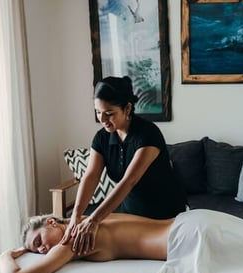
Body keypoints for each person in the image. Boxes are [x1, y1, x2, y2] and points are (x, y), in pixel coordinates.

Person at [62, 76, 187, 256]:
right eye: (98, 112)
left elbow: (129, 181)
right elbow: (90, 177)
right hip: (131, 213)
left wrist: (94, 219)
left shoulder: (148, 134)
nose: (102, 119)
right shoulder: (102, 138)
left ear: (127, 108)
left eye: (109, 113)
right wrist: (76, 216)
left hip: (166, 213)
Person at [0, 213, 173, 273]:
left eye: (39, 241)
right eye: (36, 250)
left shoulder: (73, 239)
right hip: (183, 223)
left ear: (51, 222)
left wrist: (5, 256)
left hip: (180, 240)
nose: (42, 250)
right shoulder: (87, 219)